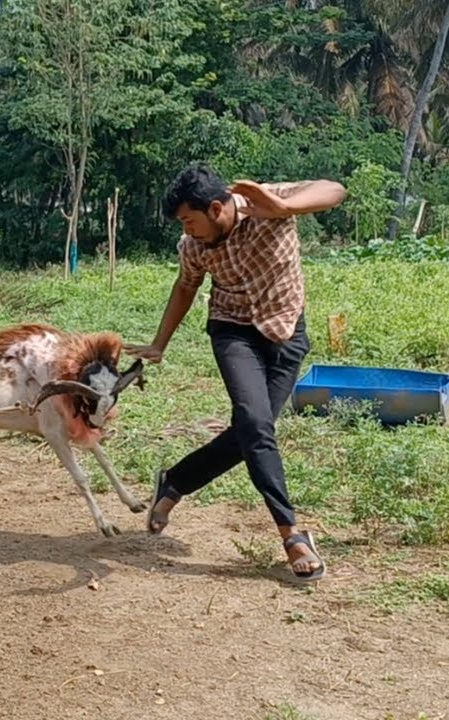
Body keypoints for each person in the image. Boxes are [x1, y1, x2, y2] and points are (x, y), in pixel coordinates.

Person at [124, 164, 346, 582]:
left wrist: (282, 206)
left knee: (251, 430)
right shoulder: (192, 246)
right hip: (232, 332)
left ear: (215, 208)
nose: (187, 231)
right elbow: (185, 286)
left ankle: (174, 482)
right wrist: (159, 343)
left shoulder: (266, 204)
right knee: (256, 425)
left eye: (190, 220)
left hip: (285, 332)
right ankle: (292, 534)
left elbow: (333, 189)